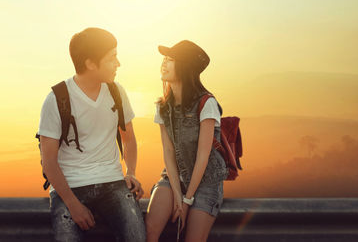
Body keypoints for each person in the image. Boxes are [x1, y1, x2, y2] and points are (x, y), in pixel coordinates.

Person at [38, 27, 146, 242]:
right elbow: (48, 161)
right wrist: (72, 204)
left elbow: (129, 138)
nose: (118, 64)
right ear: (90, 63)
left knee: (136, 237)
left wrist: (131, 171)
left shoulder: (117, 92)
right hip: (69, 187)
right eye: (112, 57)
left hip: (113, 183)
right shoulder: (57, 99)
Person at [145, 40, 228, 242]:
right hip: (175, 177)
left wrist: (187, 200)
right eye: (164, 59)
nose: (163, 64)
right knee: (149, 232)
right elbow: (168, 152)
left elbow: (203, 155)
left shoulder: (206, 103)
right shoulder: (163, 107)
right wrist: (176, 195)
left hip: (205, 181)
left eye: (170, 60)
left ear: (185, 67)